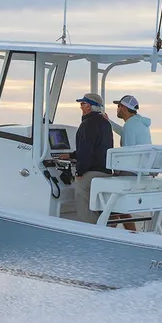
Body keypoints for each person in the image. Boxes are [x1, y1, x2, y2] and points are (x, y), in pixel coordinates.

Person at [58, 92, 114, 224]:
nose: (80, 107)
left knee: (81, 192)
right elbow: (98, 147)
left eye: (83, 103)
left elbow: (86, 151)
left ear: (89, 106)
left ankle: (91, 228)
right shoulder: (105, 123)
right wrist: (72, 155)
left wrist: (79, 172)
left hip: (92, 172)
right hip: (105, 171)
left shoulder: (87, 124)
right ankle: (103, 225)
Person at [104, 94, 152, 231]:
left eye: (118, 106)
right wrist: (110, 122)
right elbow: (124, 132)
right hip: (143, 172)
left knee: (111, 200)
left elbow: (127, 152)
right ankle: (132, 232)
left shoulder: (130, 125)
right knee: (119, 204)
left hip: (131, 172)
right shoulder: (138, 123)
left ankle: (107, 233)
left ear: (124, 108)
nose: (117, 109)